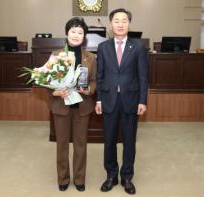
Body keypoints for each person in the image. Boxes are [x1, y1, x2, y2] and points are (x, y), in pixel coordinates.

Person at [95, 8, 148, 195]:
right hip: (109, 99)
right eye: (116, 20)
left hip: (131, 100)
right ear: (111, 24)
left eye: (124, 20)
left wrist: (143, 100)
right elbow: (99, 76)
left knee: (129, 140)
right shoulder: (103, 48)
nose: (120, 24)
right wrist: (99, 100)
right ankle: (111, 175)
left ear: (129, 24)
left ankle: (127, 177)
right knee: (109, 140)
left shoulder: (139, 47)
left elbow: (143, 77)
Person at [49, 17, 96, 192]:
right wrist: (55, 91)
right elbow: (47, 81)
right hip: (61, 106)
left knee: (80, 144)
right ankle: (63, 178)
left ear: (84, 36)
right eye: (73, 31)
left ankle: (79, 178)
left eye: (80, 32)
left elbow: (94, 81)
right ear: (67, 33)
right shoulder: (56, 55)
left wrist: (89, 90)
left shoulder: (90, 57)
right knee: (61, 144)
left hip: (82, 107)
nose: (76, 35)